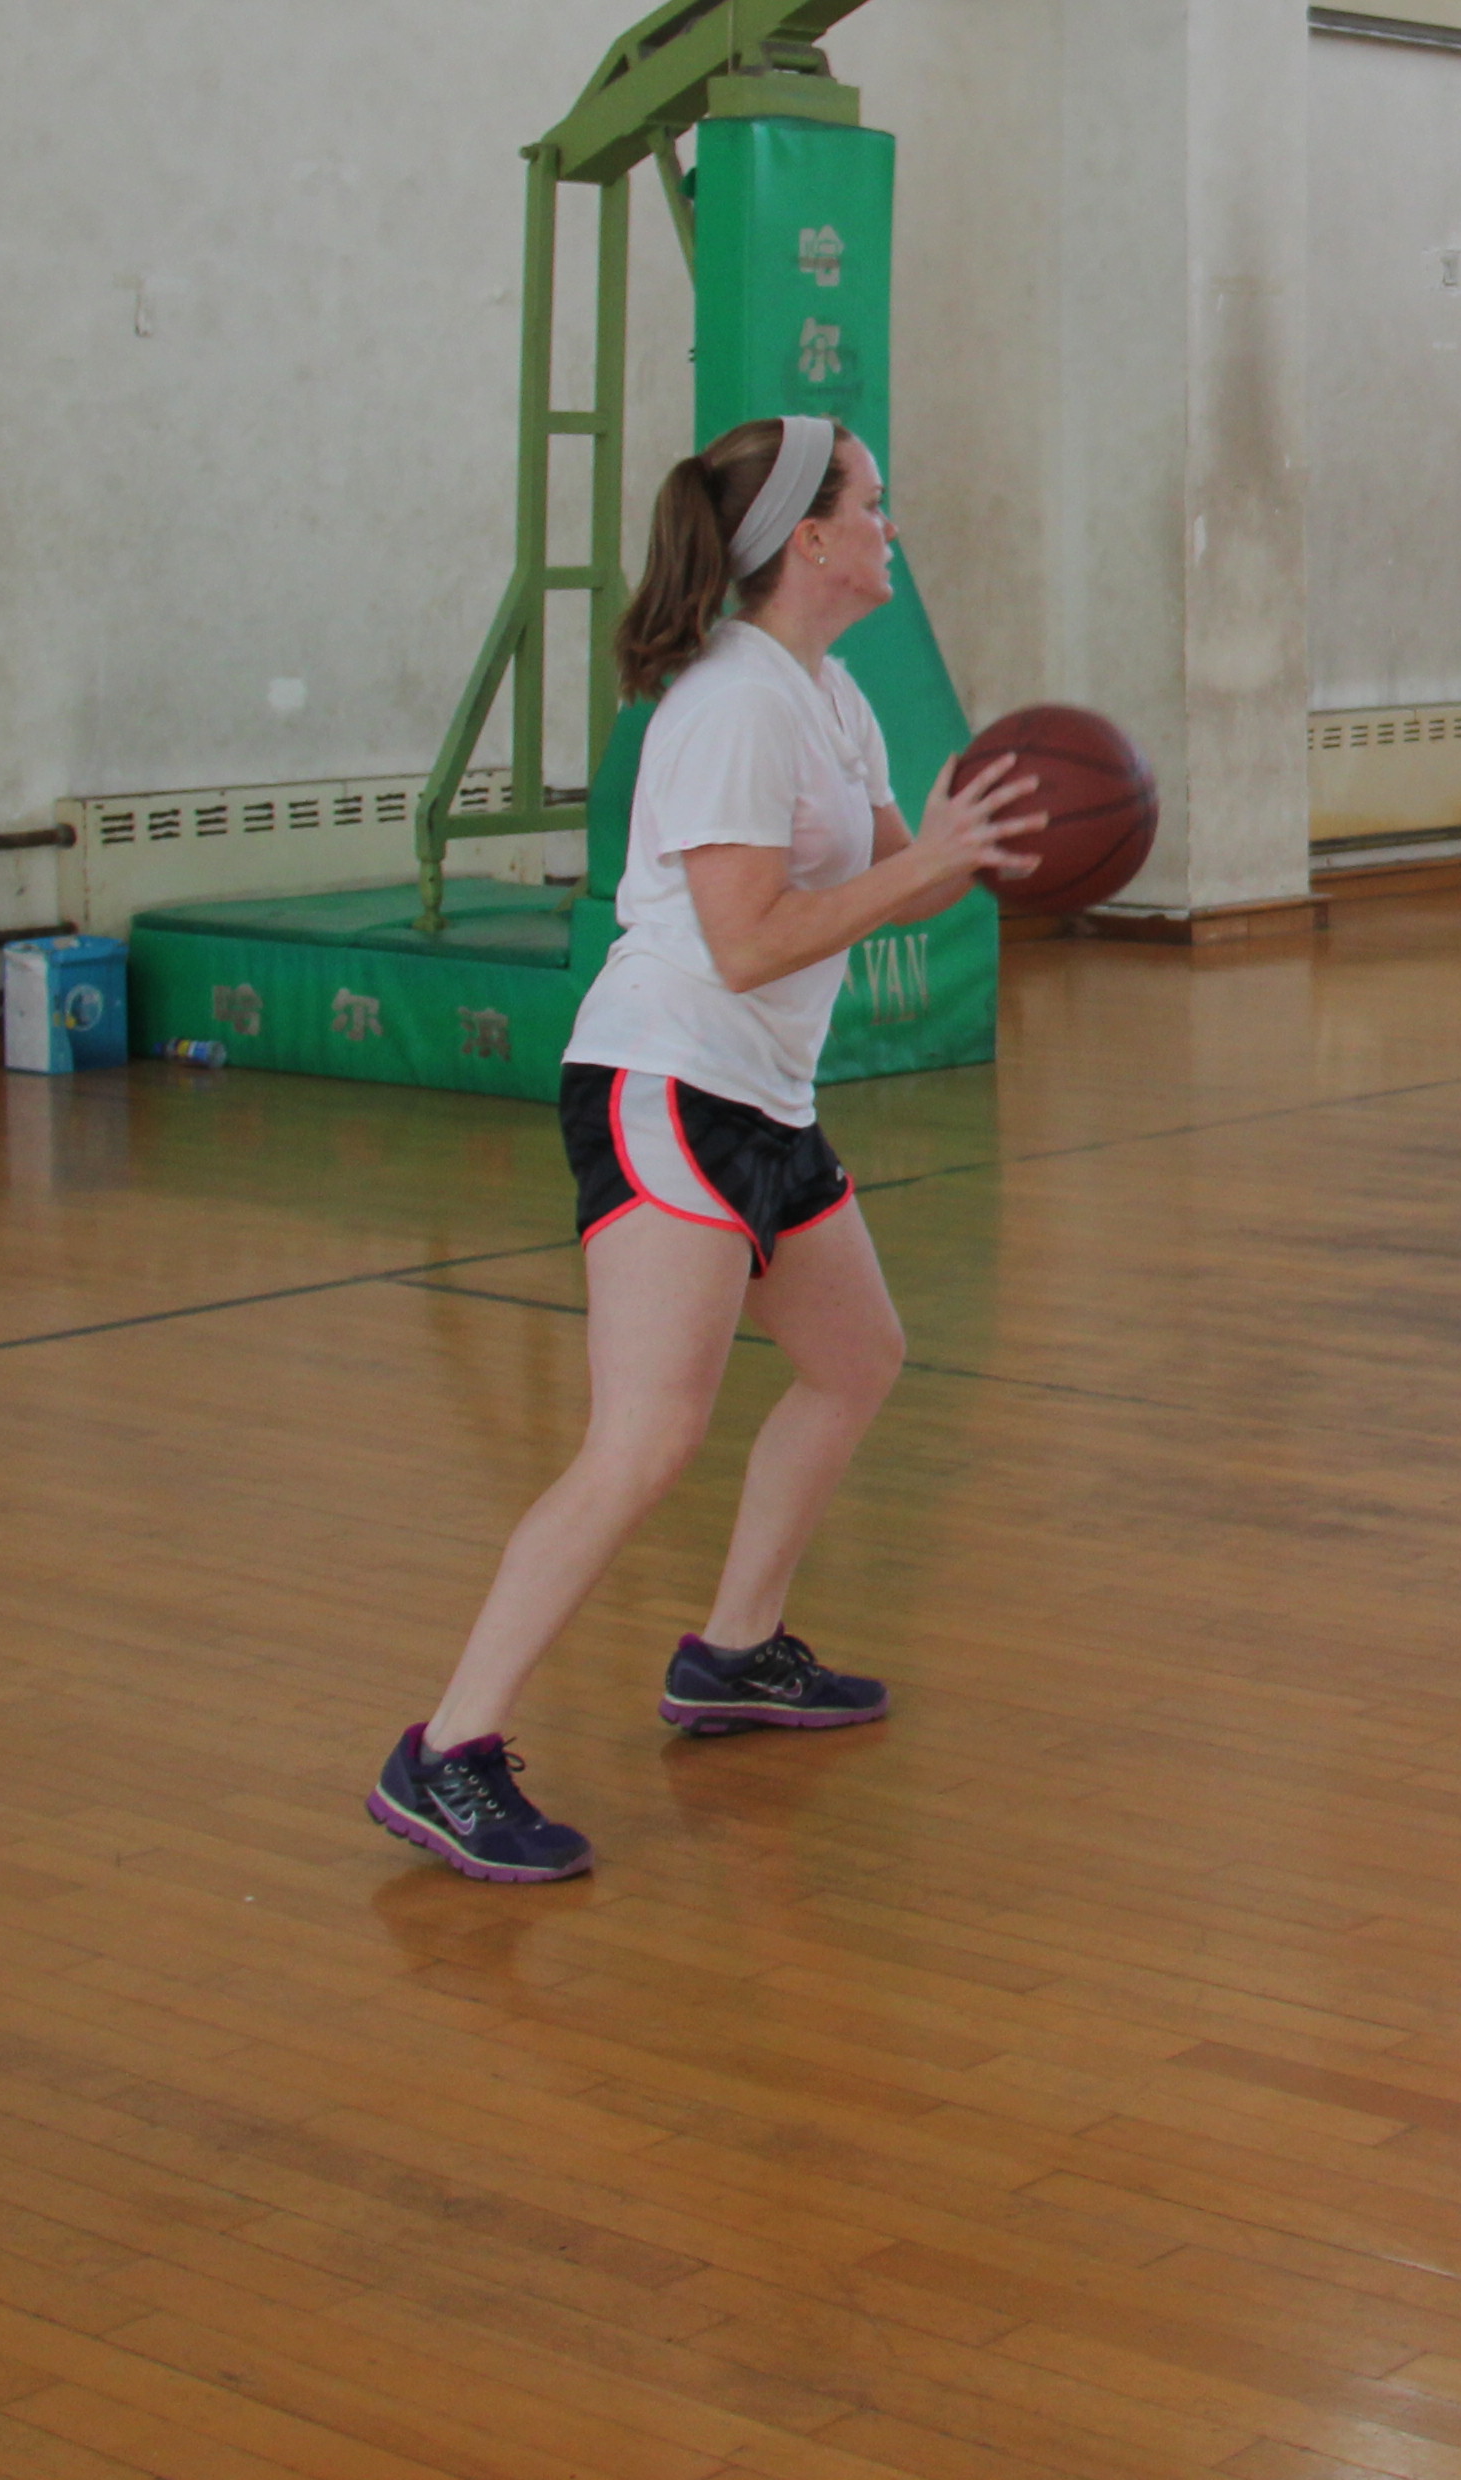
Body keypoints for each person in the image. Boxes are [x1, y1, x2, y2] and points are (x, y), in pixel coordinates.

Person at [373, 416, 1036, 1885]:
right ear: (812, 537)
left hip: (760, 1097)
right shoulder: (733, 702)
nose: (891, 526)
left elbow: (884, 884)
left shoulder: (827, 691)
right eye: (874, 502)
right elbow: (745, 944)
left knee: (856, 1359)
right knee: (645, 1439)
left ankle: (735, 1649)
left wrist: (964, 851)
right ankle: (448, 1750)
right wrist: (925, 869)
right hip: (664, 1084)